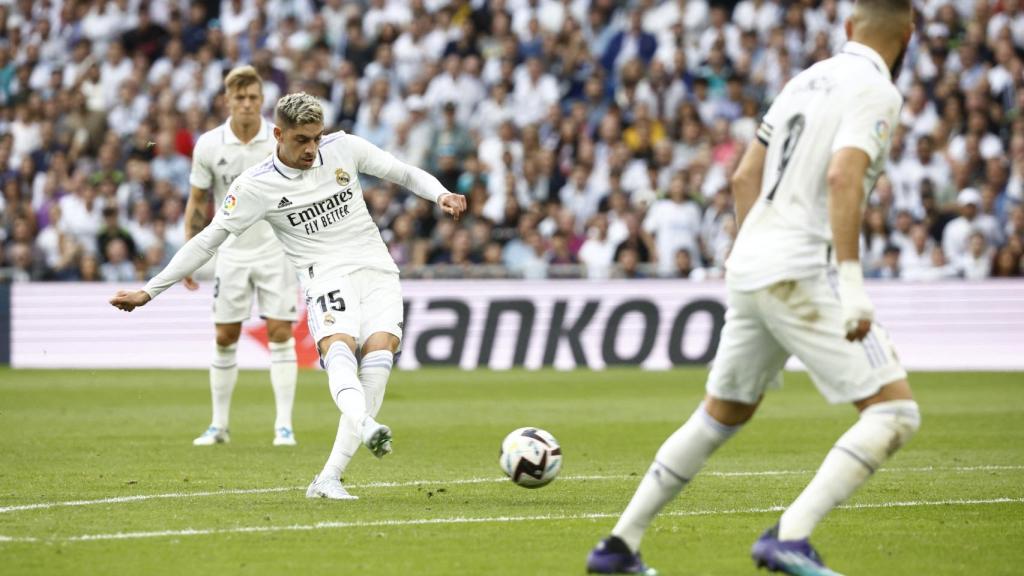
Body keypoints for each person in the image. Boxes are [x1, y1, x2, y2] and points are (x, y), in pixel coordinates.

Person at [586, 1, 921, 574]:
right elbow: (843, 176)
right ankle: (790, 536)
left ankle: (619, 544)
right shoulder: (876, 89)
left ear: (848, 27)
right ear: (908, 35)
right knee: (894, 413)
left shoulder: (805, 79)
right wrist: (851, 282)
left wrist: (748, 252)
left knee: (722, 414)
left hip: (750, 263)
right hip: (799, 267)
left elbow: (745, 175)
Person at [111, 92, 466, 500]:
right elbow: (208, 240)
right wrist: (149, 291)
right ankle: (364, 423)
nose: (312, 148)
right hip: (326, 278)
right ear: (279, 135)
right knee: (340, 348)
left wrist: (440, 194)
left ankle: (329, 477)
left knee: (380, 356)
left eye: (316, 138)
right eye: (301, 140)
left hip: (378, 270)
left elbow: (402, 172)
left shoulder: (343, 148)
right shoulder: (255, 186)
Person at [183, 65, 301, 448]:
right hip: (231, 251)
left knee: (280, 332)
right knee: (224, 335)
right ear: (227, 101)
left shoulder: (279, 140)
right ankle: (219, 425)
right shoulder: (209, 145)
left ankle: (284, 426)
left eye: (253, 97)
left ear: (262, 100)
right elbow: (198, 201)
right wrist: (190, 253)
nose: (247, 104)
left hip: (276, 249)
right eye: (240, 98)